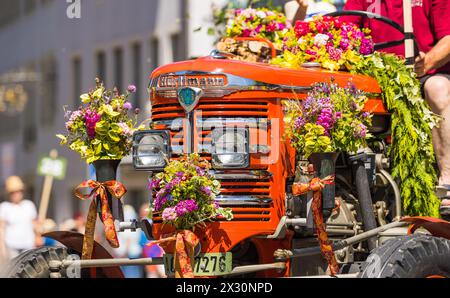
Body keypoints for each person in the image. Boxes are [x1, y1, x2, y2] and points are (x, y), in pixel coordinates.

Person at [342, 0, 450, 216]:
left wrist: (426, 62)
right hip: (378, 78)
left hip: (425, 75)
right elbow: (344, 30)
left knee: (438, 88)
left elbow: (448, 39)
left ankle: (447, 181)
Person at [0, 176, 39, 261]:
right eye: (13, 192)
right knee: (14, 270)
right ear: (9, 193)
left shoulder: (29, 205)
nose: (16, 194)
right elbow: (1, 229)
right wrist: (2, 248)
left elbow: (35, 224)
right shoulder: (4, 207)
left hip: (28, 244)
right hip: (11, 245)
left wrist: (39, 234)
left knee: (28, 270)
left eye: (18, 191)